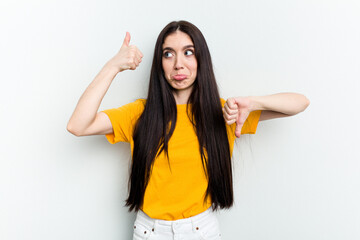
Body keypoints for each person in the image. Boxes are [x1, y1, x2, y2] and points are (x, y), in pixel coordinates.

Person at [67, 20, 310, 240]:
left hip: (201, 231)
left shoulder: (226, 112)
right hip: (148, 232)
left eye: (188, 52)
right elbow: (78, 125)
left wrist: (254, 102)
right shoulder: (140, 113)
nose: (178, 64)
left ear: (200, 59)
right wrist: (113, 66)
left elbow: (300, 103)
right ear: (159, 63)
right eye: (168, 54)